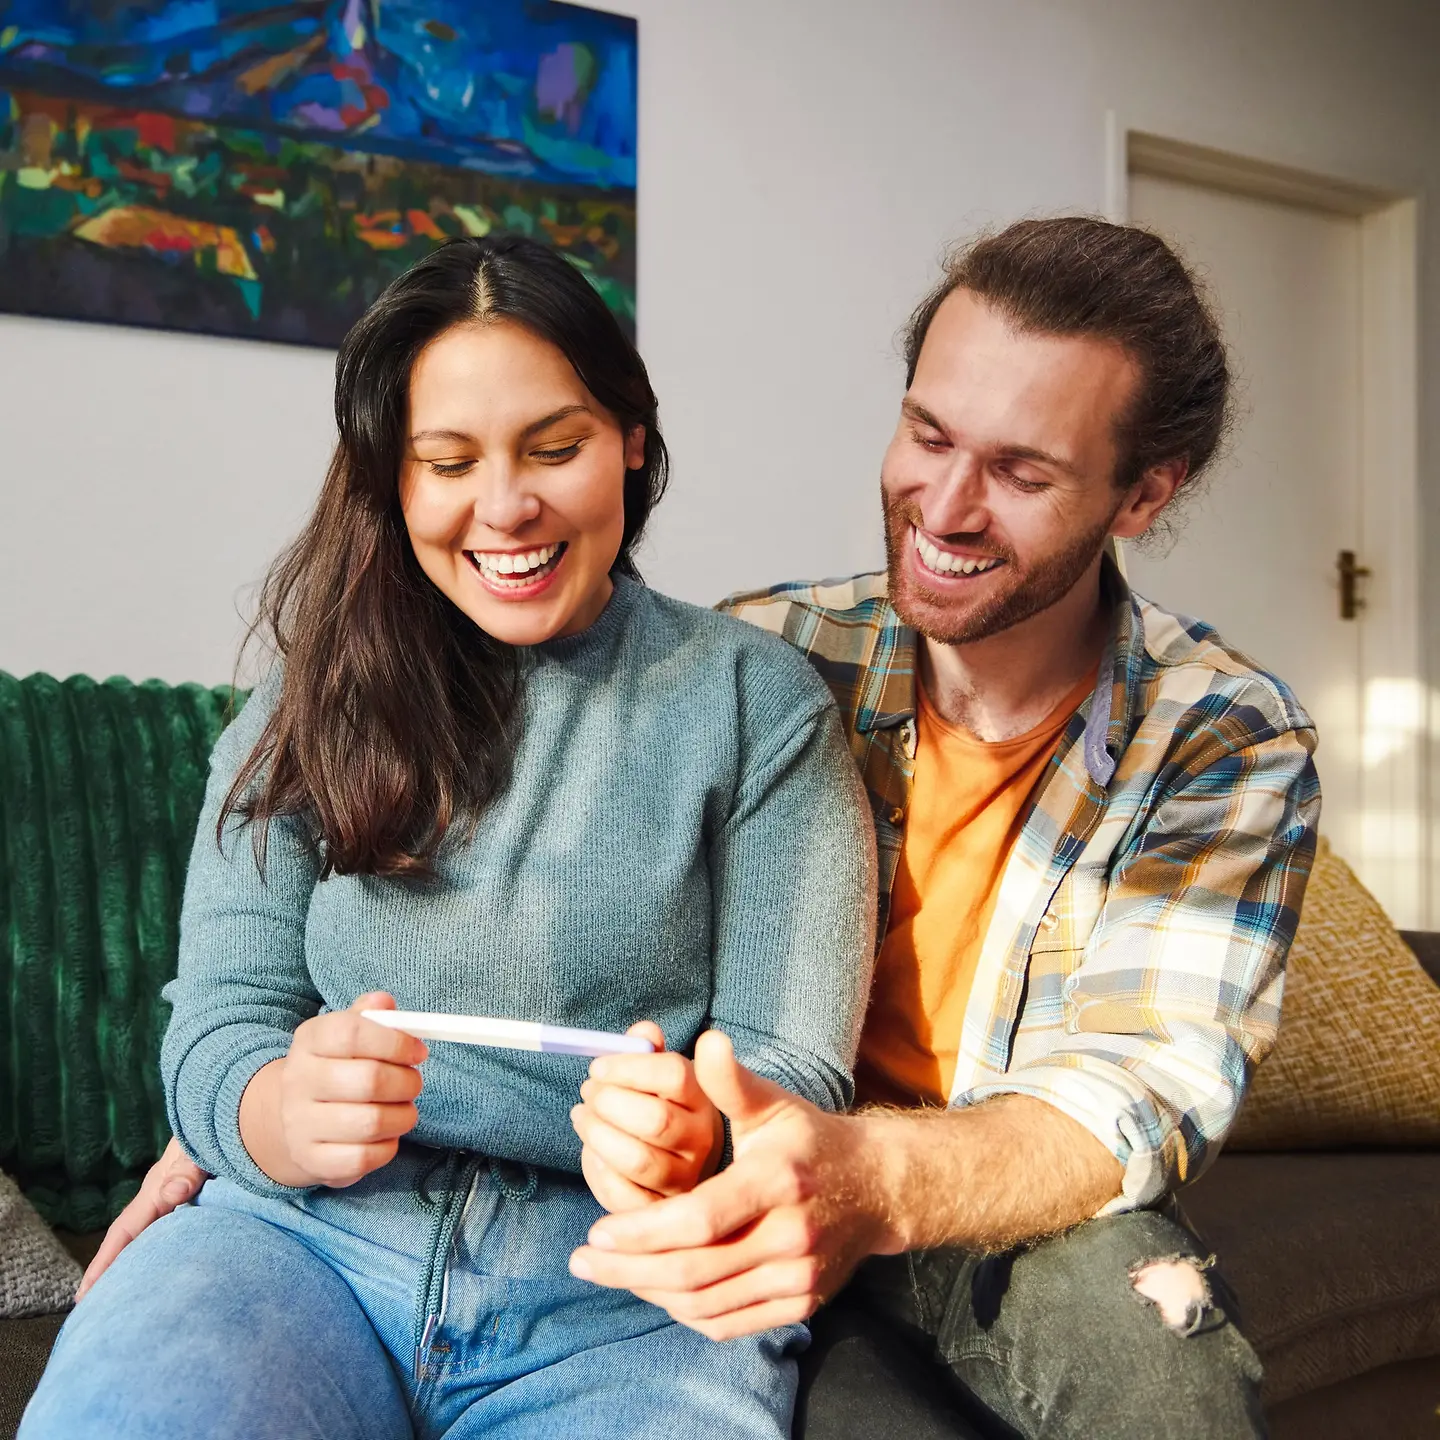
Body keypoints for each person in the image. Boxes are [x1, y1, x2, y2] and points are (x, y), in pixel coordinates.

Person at [82, 217, 1319, 1440]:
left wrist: (763, 1158)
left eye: (1022, 471)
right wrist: (244, 1116)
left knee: (1165, 1378)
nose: (944, 504)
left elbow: (1134, 1094)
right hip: (438, 1232)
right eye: (928, 435)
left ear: (1144, 492)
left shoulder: (1214, 737)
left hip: (928, 1198)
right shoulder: (797, 642)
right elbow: (228, 1022)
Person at [22, 235, 876, 1440]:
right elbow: (218, 1023)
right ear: (394, 479)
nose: (505, 505)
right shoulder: (303, 703)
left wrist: (701, 1143)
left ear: (633, 436)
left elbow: (793, 1083)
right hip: (296, 1247)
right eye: (447, 461)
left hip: (631, 1298)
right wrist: (273, 1111)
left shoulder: (754, 704)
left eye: (556, 446)